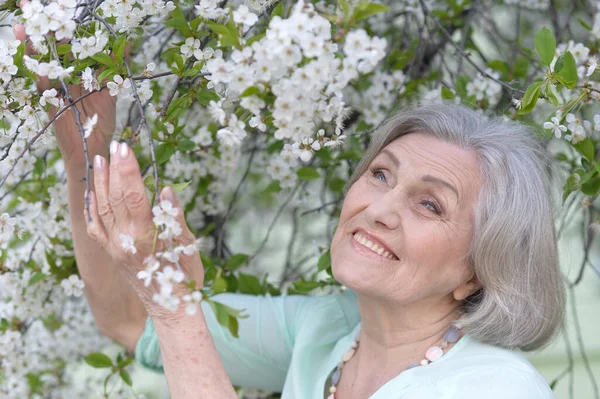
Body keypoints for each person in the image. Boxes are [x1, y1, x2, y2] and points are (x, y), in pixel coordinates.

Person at [15, 24, 566, 398]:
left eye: (430, 203)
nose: (380, 209)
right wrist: (82, 145)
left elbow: (164, 316)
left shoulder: (495, 387)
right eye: (380, 174)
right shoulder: (327, 333)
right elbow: (128, 319)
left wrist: (177, 308)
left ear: (477, 270)